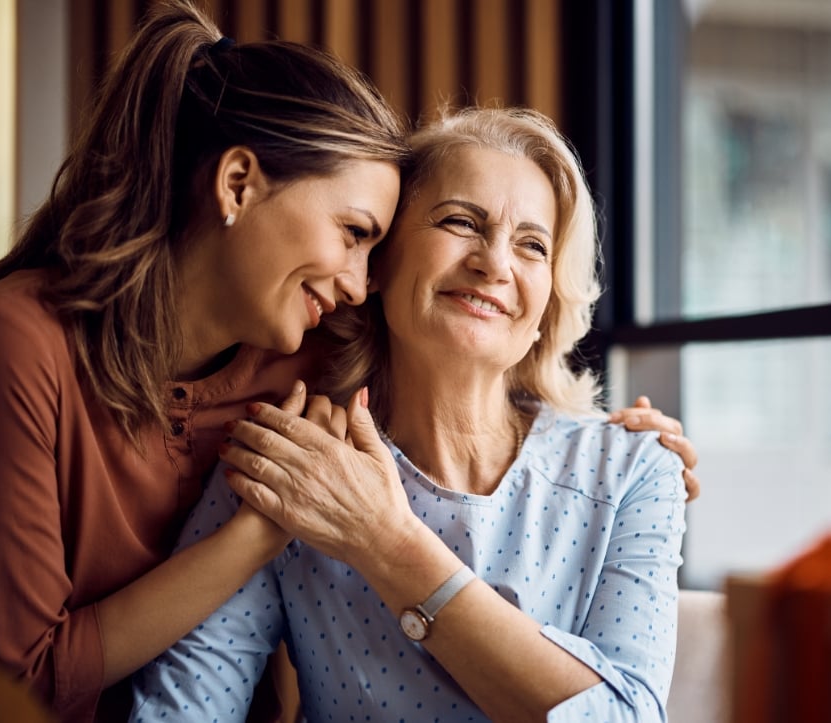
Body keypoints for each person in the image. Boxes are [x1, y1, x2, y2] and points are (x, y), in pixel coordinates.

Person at [0, 4, 697, 722]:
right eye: (360, 234)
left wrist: (634, 449)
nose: (495, 263)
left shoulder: (623, 468)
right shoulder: (295, 435)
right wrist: (264, 531)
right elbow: (74, 685)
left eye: (534, 243)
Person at [130, 107, 689, 721]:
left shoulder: (636, 470)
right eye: (460, 221)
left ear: (547, 306)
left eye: (532, 245)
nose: (495, 263)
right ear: (378, 264)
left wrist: (388, 543)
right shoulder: (293, 463)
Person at [0, 2, 407, 720]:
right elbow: (19, 681)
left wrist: (624, 437)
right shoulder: (12, 342)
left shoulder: (319, 363)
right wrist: (254, 533)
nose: (356, 283)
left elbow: (480, 414)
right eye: (352, 233)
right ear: (238, 183)